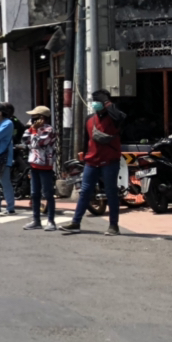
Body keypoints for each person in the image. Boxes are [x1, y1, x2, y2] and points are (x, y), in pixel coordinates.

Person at [63, 90, 126, 235]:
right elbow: (87, 140)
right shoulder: (89, 119)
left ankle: (113, 226)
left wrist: (109, 104)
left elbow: (121, 117)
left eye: (98, 100)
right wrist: (84, 155)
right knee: (85, 192)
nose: (94, 103)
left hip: (110, 160)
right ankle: (75, 222)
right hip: (92, 161)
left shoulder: (114, 117)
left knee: (111, 192)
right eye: (93, 100)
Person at [23, 106, 59, 231]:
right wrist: (32, 129)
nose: (32, 119)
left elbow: (38, 143)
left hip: (45, 166)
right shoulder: (32, 129)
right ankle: (36, 220)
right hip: (34, 165)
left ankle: (51, 221)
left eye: (35, 116)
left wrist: (34, 130)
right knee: (34, 194)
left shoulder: (49, 130)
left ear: (42, 118)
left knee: (48, 194)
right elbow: (25, 141)